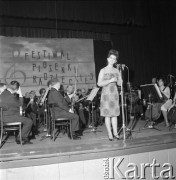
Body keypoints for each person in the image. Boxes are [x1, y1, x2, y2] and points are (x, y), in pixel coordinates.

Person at [97, 49, 122, 141]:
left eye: (114, 59)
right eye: (111, 58)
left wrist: (120, 81)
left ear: (115, 61)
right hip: (106, 94)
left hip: (114, 94)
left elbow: (119, 83)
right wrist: (110, 81)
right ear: (108, 59)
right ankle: (110, 134)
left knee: (115, 115)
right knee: (107, 115)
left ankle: (115, 133)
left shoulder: (117, 70)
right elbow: (99, 83)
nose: (112, 60)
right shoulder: (103, 70)